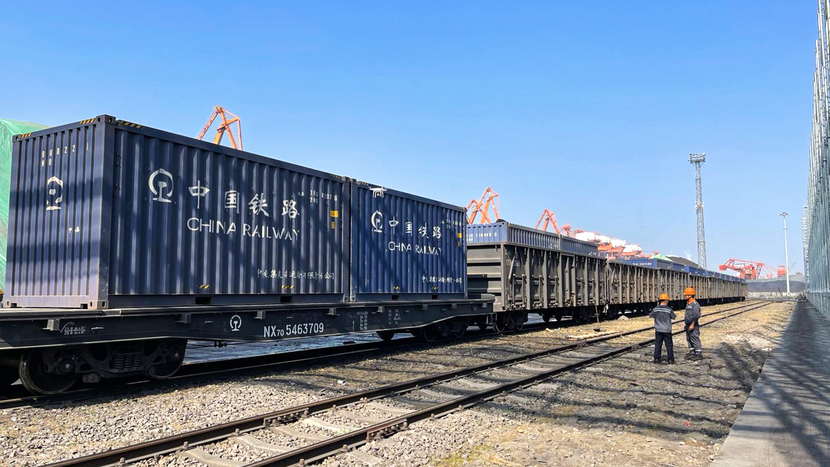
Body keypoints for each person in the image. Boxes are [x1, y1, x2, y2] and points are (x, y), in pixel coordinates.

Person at [649, 293, 676, 364]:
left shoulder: (655, 309)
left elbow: (651, 315)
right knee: (669, 345)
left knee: (658, 344)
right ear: (666, 301)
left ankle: (656, 359)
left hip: (658, 330)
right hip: (667, 330)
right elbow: (673, 317)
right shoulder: (669, 310)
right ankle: (670, 359)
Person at [683, 287, 702, 361]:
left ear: (690, 295)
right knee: (689, 338)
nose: (685, 296)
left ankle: (698, 354)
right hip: (688, 324)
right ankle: (692, 352)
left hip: (693, 324)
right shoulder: (688, 304)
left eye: (686, 295)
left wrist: (692, 324)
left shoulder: (695, 304)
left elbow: (696, 315)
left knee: (694, 338)